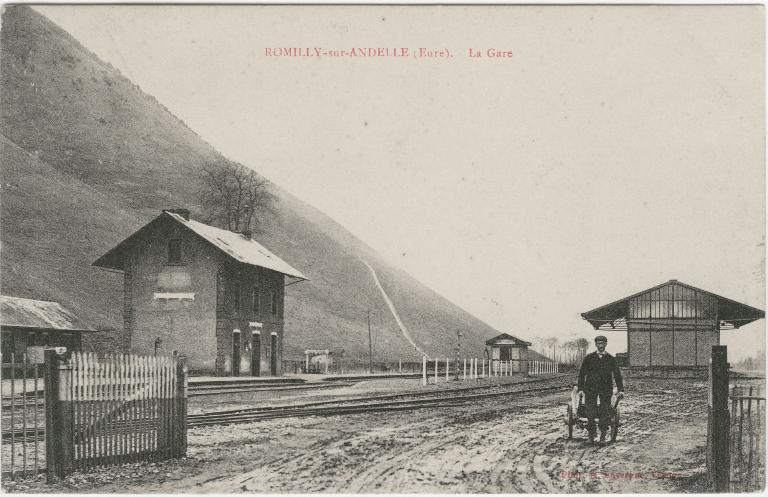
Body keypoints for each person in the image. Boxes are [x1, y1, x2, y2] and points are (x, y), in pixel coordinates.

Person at [577, 335, 624, 443]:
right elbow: (581, 374)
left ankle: (602, 436)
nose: (601, 345)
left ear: (606, 344)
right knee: (590, 410)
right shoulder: (589, 358)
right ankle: (591, 436)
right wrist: (580, 388)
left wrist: (621, 390)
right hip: (590, 388)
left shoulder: (611, 359)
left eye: (602, 343)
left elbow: (617, 375)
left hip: (605, 389)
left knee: (605, 411)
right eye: (599, 343)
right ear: (596, 344)